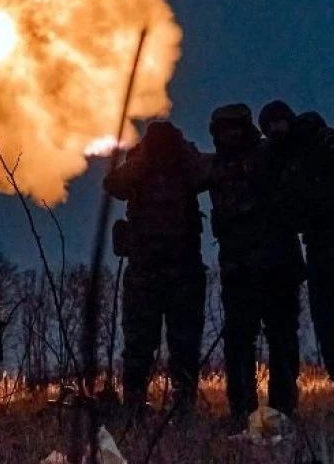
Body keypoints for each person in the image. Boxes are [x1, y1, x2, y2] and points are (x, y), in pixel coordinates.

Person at [259, 101, 334, 416]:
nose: (275, 131)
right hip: (319, 253)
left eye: (278, 123)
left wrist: (331, 209)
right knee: (329, 332)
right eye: (269, 127)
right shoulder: (285, 160)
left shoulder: (331, 148)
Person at [204, 104, 304, 429]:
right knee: (239, 343)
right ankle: (242, 413)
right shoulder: (215, 166)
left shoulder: (270, 155)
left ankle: (282, 412)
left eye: (235, 127)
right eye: (224, 129)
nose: (230, 134)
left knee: (282, 340)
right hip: (239, 272)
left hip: (277, 268)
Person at [104, 121, 209, 421]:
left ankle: (181, 409)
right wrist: (144, 158)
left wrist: (178, 153)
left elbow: (206, 174)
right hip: (149, 272)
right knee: (140, 346)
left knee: (182, 346)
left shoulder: (185, 165)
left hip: (179, 272)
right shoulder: (141, 166)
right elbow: (114, 184)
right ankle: (136, 408)